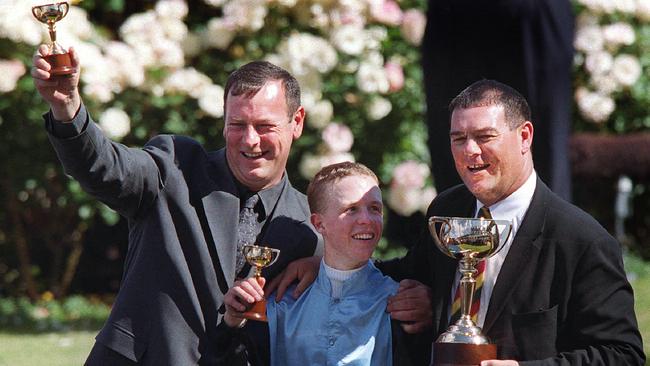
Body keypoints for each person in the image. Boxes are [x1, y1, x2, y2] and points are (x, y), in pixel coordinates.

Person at [31, 46, 432, 365]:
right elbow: (105, 167)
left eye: (265, 126)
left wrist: (414, 294)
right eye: (237, 124)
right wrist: (67, 109)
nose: (250, 140)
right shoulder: (175, 165)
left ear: (297, 122)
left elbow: (351, 277)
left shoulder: (309, 226)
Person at [379, 80, 646, 365]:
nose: (469, 150)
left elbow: (622, 355)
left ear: (525, 137)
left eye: (485, 136)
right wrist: (328, 260)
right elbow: (410, 276)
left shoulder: (582, 241)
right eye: (458, 138)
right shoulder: (447, 209)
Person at [217, 162, 414, 365]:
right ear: (319, 223)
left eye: (375, 208)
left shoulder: (401, 304)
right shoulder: (281, 306)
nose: (366, 219)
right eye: (351, 209)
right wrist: (232, 323)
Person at [422, 0, 574, 201]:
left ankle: (549, 232)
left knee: (544, 145)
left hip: (532, 13)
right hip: (456, 13)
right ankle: (462, 231)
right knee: (459, 139)